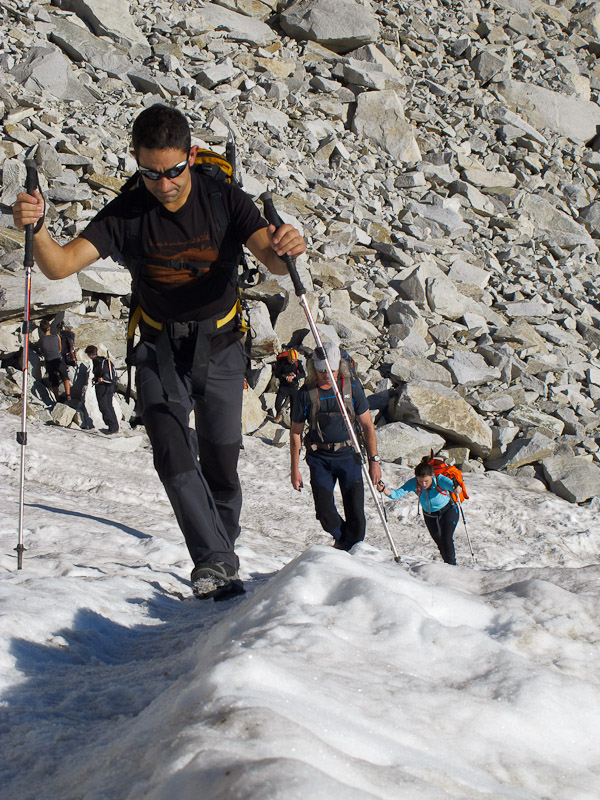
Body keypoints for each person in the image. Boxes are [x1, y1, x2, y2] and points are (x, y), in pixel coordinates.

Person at [12, 103, 306, 599]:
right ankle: (213, 562)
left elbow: (273, 259)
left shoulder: (223, 197)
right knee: (171, 451)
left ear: (190, 156)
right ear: (137, 162)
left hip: (221, 342)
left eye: (173, 171)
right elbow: (59, 266)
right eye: (151, 173)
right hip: (156, 345)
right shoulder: (128, 211)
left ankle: (222, 552)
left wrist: (288, 244)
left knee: (222, 461)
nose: (164, 184)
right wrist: (37, 227)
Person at [290, 341, 382, 551]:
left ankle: (347, 548)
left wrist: (374, 461)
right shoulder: (306, 393)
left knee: (357, 516)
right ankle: (346, 544)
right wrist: (294, 469)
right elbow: (295, 432)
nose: (325, 375)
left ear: (338, 367)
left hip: (349, 455)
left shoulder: (351, 388)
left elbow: (368, 425)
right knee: (324, 512)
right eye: (321, 371)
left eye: (330, 371)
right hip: (320, 458)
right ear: (314, 368)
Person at [377, 457, 459, 565]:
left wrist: (457, 488)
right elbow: (397, 494)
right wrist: (384, 489)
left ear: (432, 476)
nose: (423, 484)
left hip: (448, 511)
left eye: (426, 481)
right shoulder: (413, 483)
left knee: (446, 539)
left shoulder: (440, 479)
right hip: (430, 515)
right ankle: (447, 564)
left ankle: (452, 565)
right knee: (439, 542)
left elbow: (455, 488)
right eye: (421, 481)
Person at [85, 345, 119, 434]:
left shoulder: (96, 361)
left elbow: (99, 373)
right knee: (109, 405)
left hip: (102, 386)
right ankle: (115, 426)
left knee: (103, 406)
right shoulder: (104, 359)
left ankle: (111, 427)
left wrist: (96, 379)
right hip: (110, 384)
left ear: (90, 354)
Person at [37, 318, 71, 402]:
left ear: (41, 330)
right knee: (65, 377)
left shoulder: (41, 340)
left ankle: (57, 398)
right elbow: (60, 349)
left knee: (53, 380)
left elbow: (42, 351)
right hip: (58, 359)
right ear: (49, 328)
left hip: (49, 361)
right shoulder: (56, 337)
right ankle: (68, 395)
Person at [273, 349, 305, 423]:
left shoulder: (297, 363)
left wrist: (295, 376)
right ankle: (279, 414)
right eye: (292, 360)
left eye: (295, 360)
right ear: (289, 357)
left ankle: (292, 423)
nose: (293, 361)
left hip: (294, 386)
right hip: (284, 386)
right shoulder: (282, 362)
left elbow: (303, 374)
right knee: (278, 402)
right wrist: (285, 376)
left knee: (294, 407)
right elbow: (277, 374)